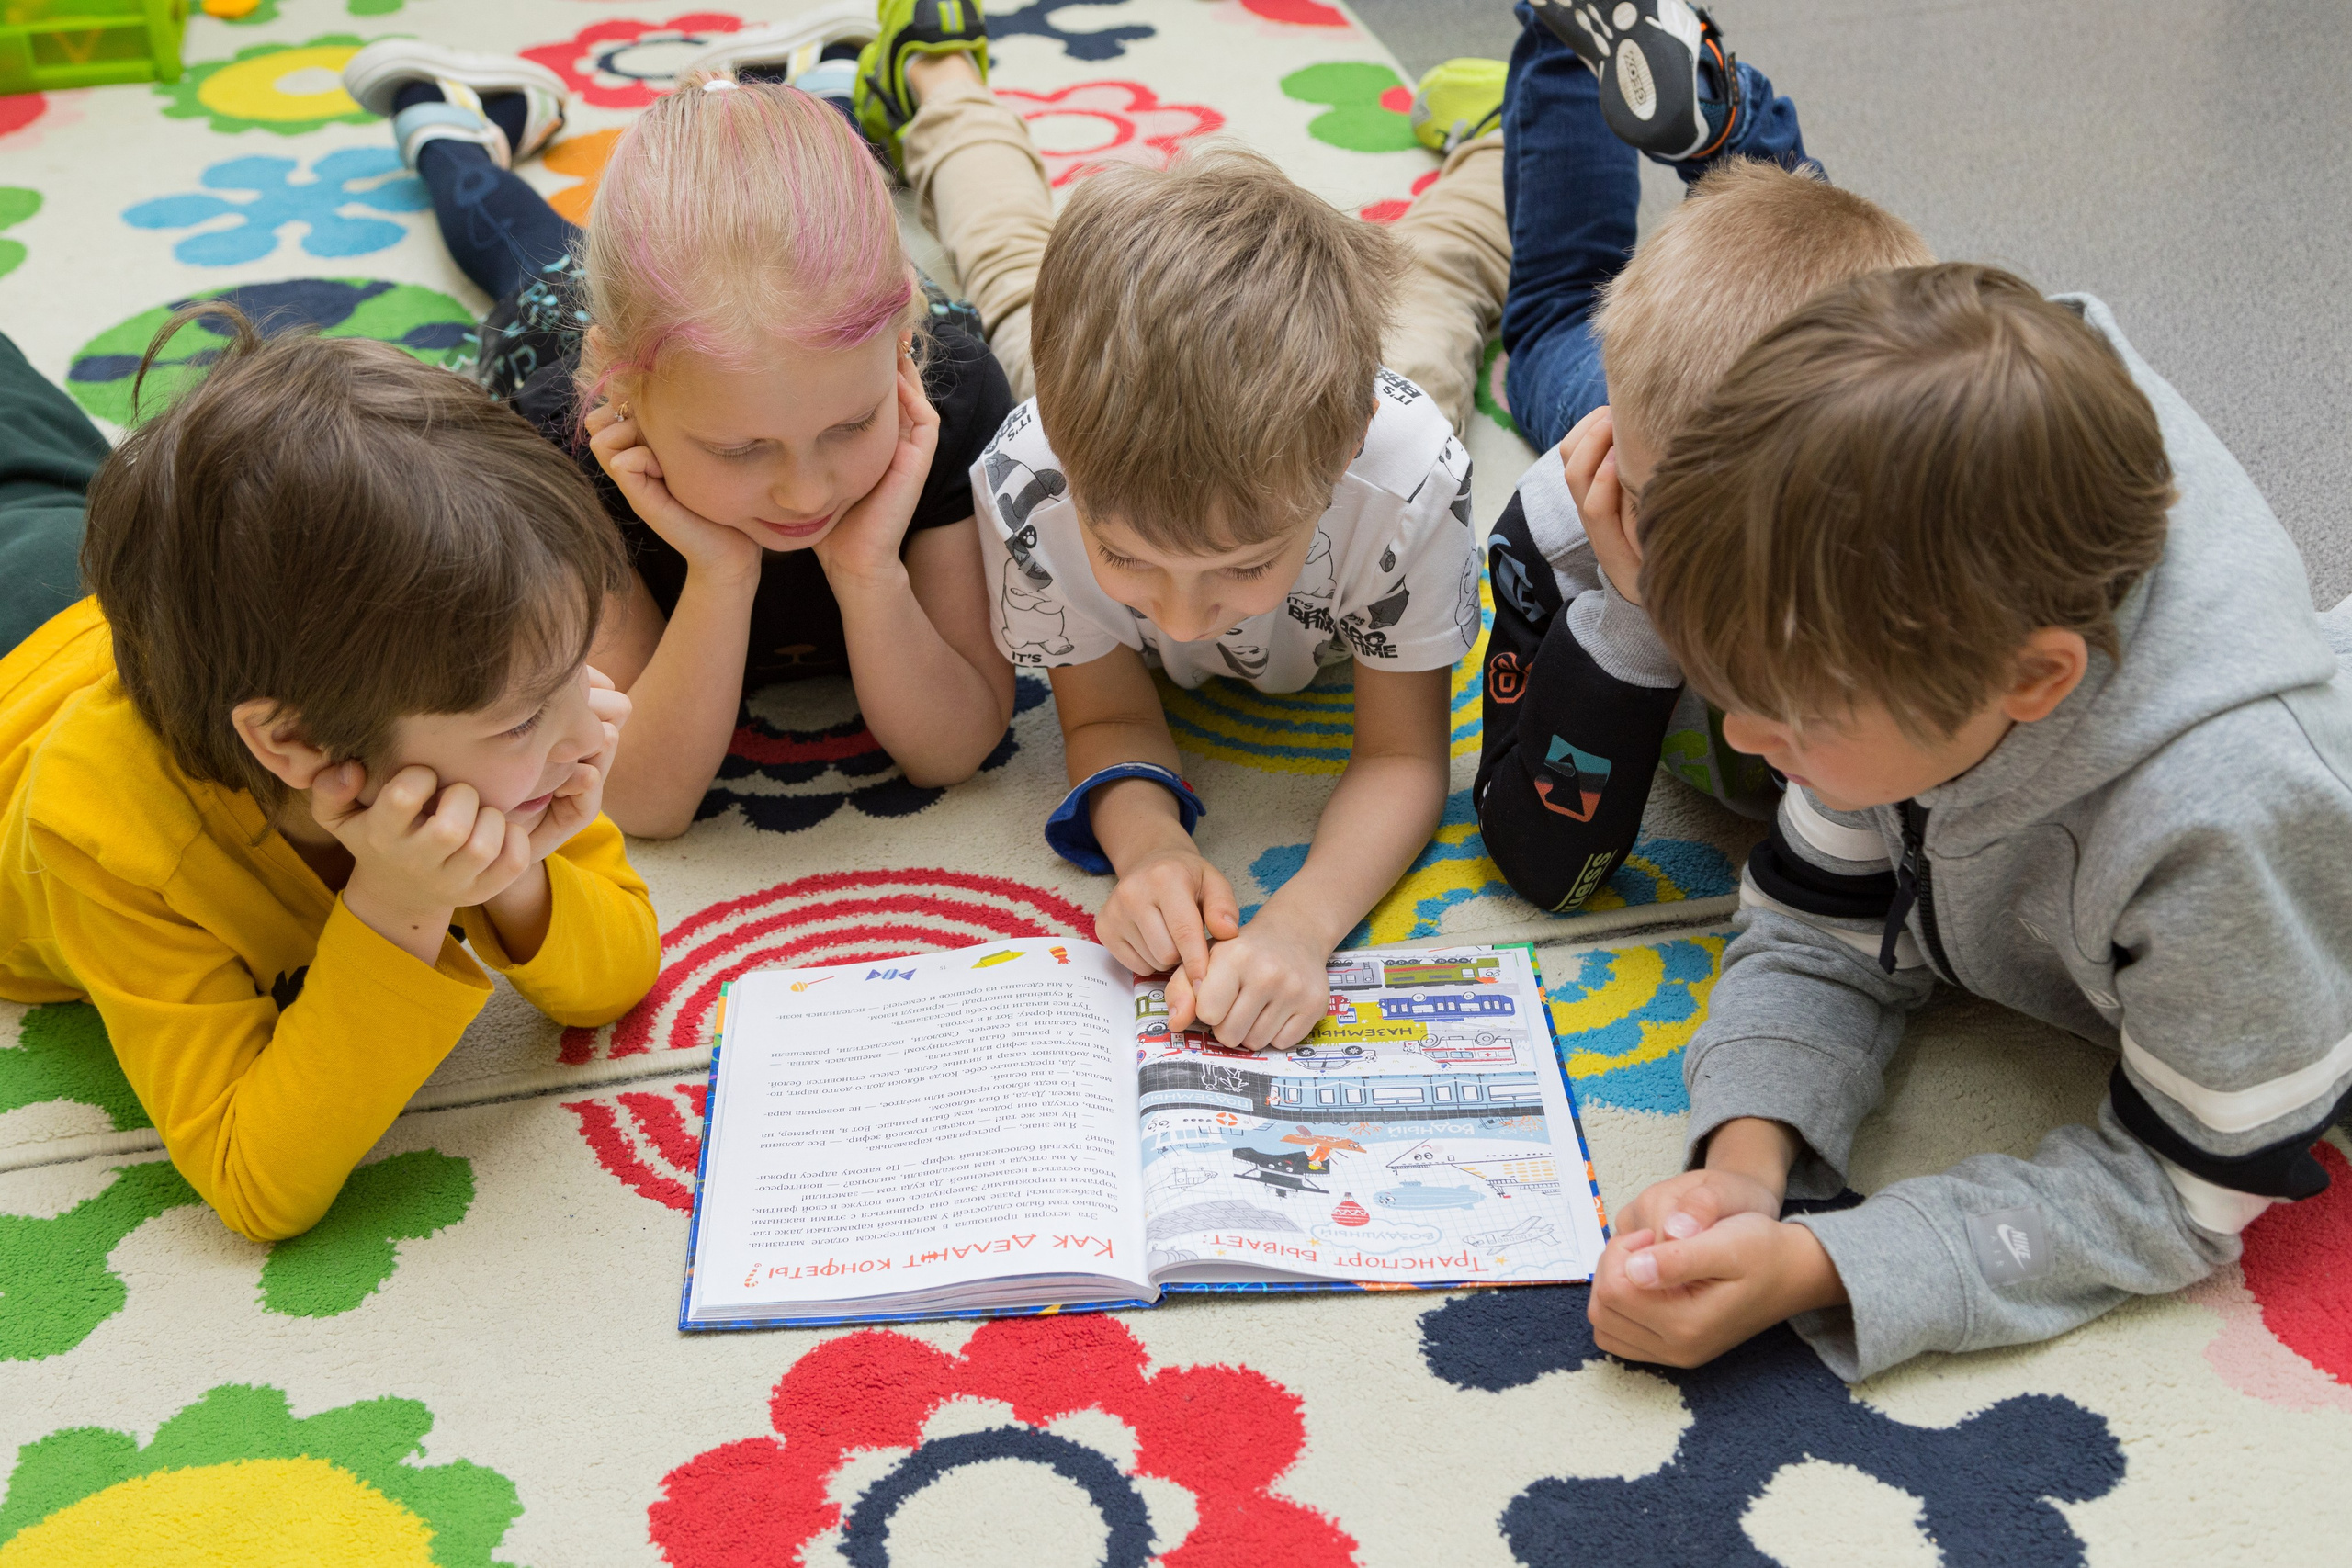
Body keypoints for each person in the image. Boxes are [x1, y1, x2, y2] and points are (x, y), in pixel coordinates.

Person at [1589, 263, 2352, 1380]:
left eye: (1793, 715)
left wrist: (1826, 1265)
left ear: (2031, 681)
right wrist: (1745, 1163)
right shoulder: (1899, 642)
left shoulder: (2220, 820)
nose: (1745, 742)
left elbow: (2179, 1184)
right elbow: (1818, 928)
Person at [0, 311, 661, 1243]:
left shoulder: (490, 712)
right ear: (298, 745)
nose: (589, 724)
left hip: (91, 577)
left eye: (576, 674)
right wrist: (400, 901)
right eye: (521, 716)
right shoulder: (107, 829)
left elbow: (616, 974)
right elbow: (256, 1184)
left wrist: (514, 869)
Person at [340, 23, 1016, 839]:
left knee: (823, 223)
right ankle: (447, 121)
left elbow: (956, 746)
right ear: (623, 391)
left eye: (851, 425)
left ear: (900, 357)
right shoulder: (559, 448)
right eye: (739, 449)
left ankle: (812, 83)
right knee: (524, 256)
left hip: (842, 304)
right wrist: (720, 577)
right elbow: (641, 800)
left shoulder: (949, 396)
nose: (806, 490)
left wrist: (869, 569)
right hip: (575, 328)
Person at [1474, 0, 1933, 911]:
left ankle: (1733, 135)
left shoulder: (1916, 511)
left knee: (1847, 298)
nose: (1693, 569)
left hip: (1856, 415)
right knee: (1558, 318)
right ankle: (1709, 121)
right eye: (1657, 516)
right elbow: (1544, 865)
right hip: (1630, 419)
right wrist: (1635, 619)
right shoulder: (1570, 518)